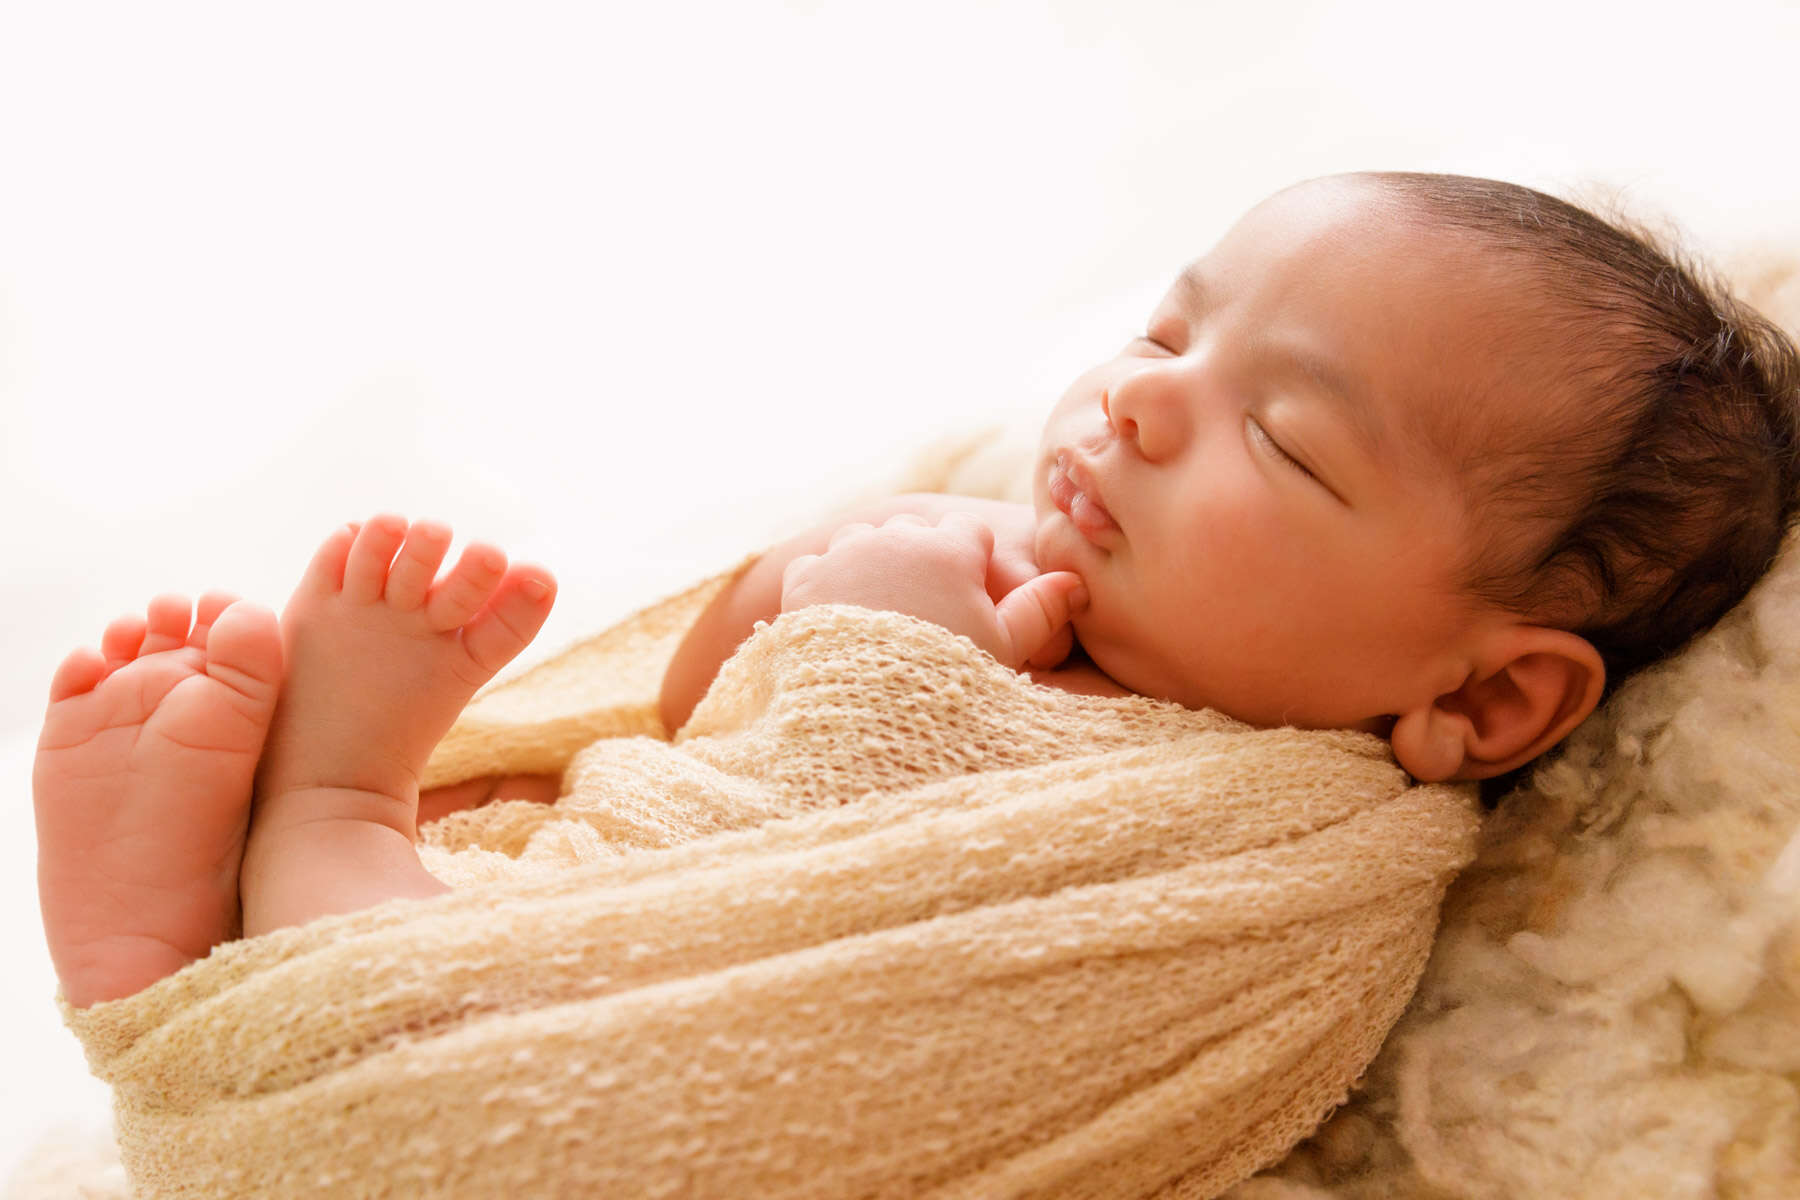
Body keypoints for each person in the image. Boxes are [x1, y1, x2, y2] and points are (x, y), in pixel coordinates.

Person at [33, 171, 1799, 1010]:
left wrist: (884, 650)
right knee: (515, 860)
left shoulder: (1268, 840)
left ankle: (317, 819)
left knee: (444, 981)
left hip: (592, 1042)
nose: (1138, 404)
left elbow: (876, 957)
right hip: (587, 927)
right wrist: (795, 595)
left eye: (1281, 438)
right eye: (1166, 335)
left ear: (1485, 698)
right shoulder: (997, 558)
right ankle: (181, 966)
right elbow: (693, 747)